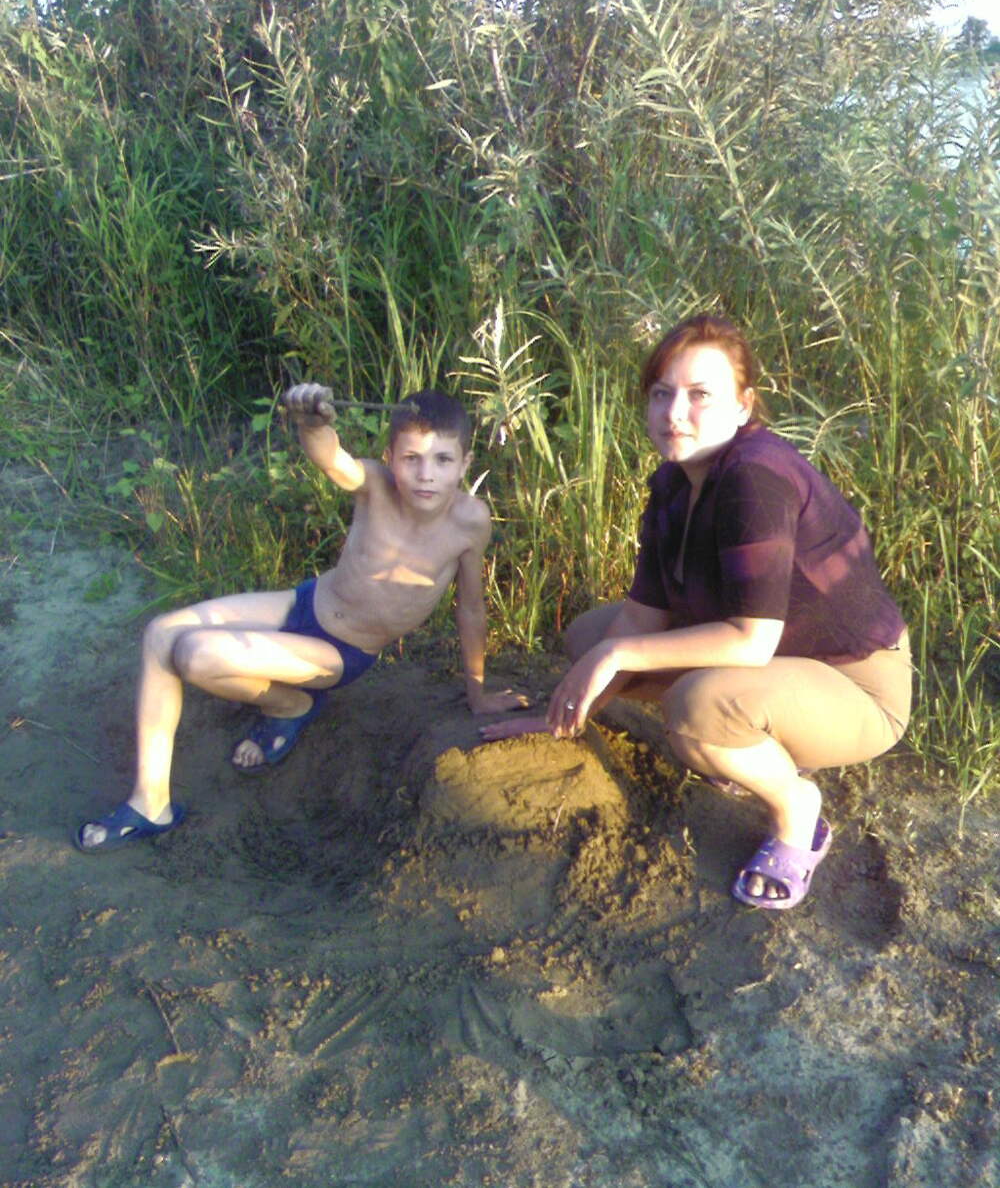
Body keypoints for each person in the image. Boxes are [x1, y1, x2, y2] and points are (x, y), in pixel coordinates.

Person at [482, 315, 911, 910]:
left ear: (744, 404)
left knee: (693, 707)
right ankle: (739, 736)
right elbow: (641, 619)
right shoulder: (675, 484)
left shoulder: (755, 477)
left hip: (854, 683)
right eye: (662, 393)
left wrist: (618, 655)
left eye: (700, 394)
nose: (674, 413)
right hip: (777, 663)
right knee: (589, 637)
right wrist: (566, 714)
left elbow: (752, 641)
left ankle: (797, 812)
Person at [76, 385, 528, 852]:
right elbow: (332, 459)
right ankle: (150, 803)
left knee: (193, 654)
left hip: (340, 651)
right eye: (411, 458)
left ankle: (290, 705)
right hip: (303, 604)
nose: (426, 474)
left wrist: (477, 693)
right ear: (390, 457)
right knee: (160, 633)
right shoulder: (376, 484)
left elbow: (470, 608)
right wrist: (313, 423)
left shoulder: (470, 522)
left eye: (442, 460)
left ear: (465, 463)